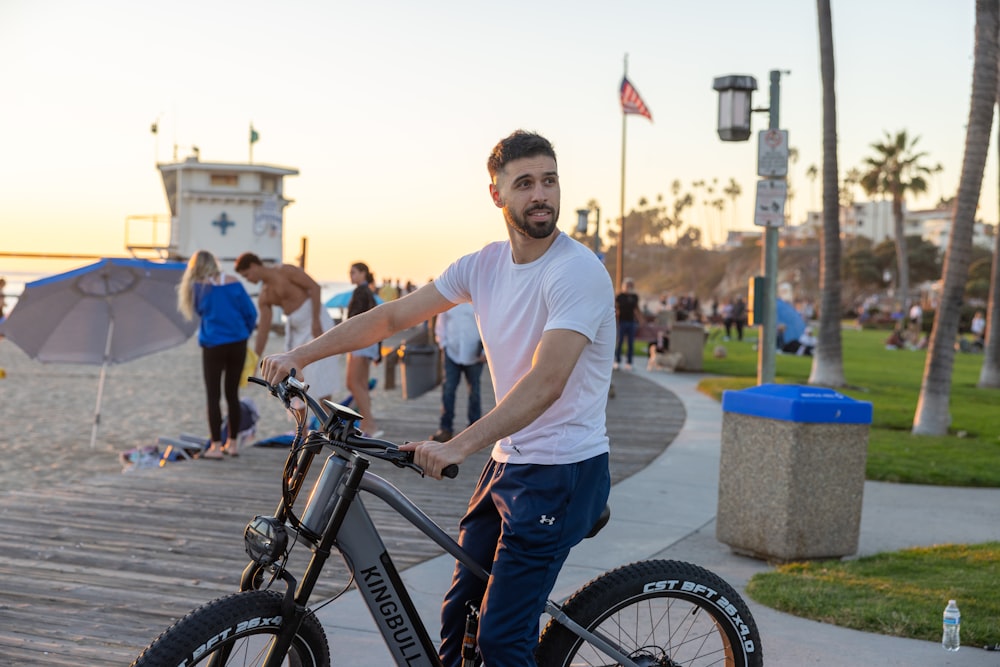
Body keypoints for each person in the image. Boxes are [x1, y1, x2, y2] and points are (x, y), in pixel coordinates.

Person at [260, 130, 614, 666]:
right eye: (525, 184)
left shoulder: (576, 271)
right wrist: (301, 356)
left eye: (549, 180)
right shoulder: (483, 265)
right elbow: (391, 317)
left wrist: (456, 446)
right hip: (509, 462)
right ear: (497, 195)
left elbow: (547, 382)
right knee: (459, 620)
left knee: (500, 641)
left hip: (562, 471)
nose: (541, 194)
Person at [178, 251, 258, 459]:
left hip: (213, 345)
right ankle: (232, 445)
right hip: (237, 343)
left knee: (213, 396)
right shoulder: (234, 282)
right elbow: (251, 313)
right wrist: (244, 333)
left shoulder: (198, 288)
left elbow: (201, 312)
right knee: (232, 395)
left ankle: (215, 447)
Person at [234, 252, 342, 403]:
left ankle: (326, 422)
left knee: (320, 371)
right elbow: (263, 331)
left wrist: (316, 321)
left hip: (314, 318)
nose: (248, 280)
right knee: (294, 375)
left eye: (247, 275)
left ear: (254, 266)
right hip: (295, 328)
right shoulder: (265, 295)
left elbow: (315, 287)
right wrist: (256, 360)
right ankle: (302, 426)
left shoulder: (285, 271)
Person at [431, 301, 486, 443]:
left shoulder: (480, 298)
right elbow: (441, 322)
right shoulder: (450, 299)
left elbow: (488, 326)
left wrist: (485, 350)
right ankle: (445, 429)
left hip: (474, 354)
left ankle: (474, 431)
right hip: (451, 352)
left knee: (475, 391)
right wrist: (443, 344)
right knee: (448, 390)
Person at [345, 261, 382, 436]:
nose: (350, 276)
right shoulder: (369, 292)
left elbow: (355, 320)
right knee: (361, 385)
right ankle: (367, 424)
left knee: (353, 383)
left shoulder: (361, 292)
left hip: (361, 341)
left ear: (363, 273)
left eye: (353, 272)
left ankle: (370, 424)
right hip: (369, 341)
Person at [614, 277, 641, 370]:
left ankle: (629, 362)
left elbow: (636, 309)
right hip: (622, 321)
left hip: (631, 322)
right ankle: (617, 360)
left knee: (630, 343)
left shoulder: (634, 297)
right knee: (620, 342)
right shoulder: (619, 297)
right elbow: (616, 309)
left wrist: (641, 320)